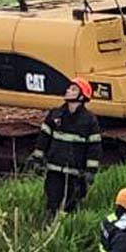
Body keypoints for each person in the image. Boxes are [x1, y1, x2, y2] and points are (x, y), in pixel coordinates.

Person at [29, 78, 102, 215]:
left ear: (81, 96)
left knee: (72, 206)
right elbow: (44, 139)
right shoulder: (55, 115)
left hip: (75, 173)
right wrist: (37, 159)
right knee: (52, 204)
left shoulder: (89, 120)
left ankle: (68, 230)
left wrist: (90, 171)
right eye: (69, 88)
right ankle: (51, 229)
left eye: (73, 89)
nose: (68, 90)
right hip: (54, 169)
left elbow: (94, 147)